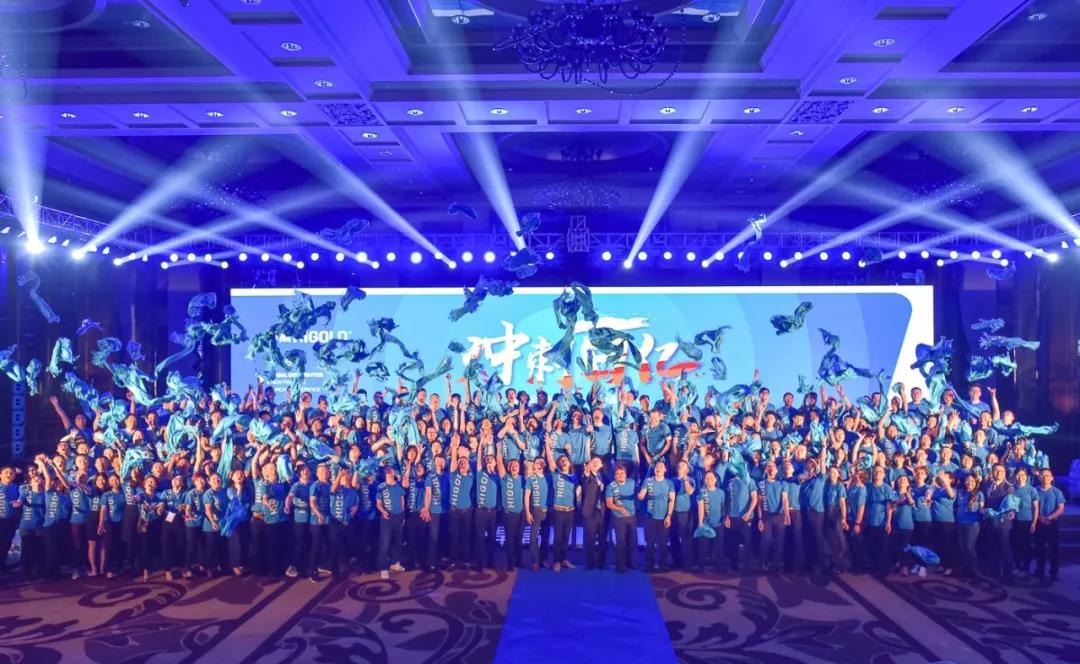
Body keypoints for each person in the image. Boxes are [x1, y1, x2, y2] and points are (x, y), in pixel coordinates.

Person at [545, 441, 577, 572]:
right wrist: (547, 445)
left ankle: (563, 559)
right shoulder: (556, 474)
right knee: (558, 537)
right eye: (561, 461)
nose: (563, 462)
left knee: (566, 537)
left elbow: (576, 485)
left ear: (569, 463)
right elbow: (550, 460)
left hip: (570, 511)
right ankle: (557, 561)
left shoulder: (573, 476)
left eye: (565, 460)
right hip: (558, 511)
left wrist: (569, 453)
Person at [639, 460, 675, 573]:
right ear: (654, 470)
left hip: (663, 517)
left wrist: (669, 515)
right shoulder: (648, 481)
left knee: (662, 543)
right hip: (650, 516)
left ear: (665, 470)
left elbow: (671, 500)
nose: (658, 468)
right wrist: (640, 495)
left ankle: (663, 565)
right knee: (650, 542)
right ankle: (649, 565)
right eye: (657, 467)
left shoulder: (669, 483)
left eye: (661, 466)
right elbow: (642, 495)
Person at [758, 461, 789, 574]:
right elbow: (759, 503)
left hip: (779, 515)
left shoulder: (782, 483)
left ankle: (776, 565)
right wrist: (760, 518)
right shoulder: (761, 484)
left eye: (773, 466)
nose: (771, 468)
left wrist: (786, 514)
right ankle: (763, 562)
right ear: (766, 469)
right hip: (767, 515)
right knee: (765, 540)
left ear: (776, 470)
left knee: (779, 541)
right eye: (768, 466)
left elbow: (785, 499)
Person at [376, 467, 407, 578]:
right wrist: (383, 511)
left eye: (391, 471)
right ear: (384, 474)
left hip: (398, 517)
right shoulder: (381, 487)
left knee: (397, 541)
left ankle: (395, 563)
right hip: (387, 518)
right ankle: (383, 567)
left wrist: (403, 515)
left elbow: (402, 500)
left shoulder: (398, 486)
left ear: (394, 473)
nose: (389, 473)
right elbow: (378, 503)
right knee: (385, 543)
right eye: (387, 472)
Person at [605, 463, 636, 573]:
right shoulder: (611, 487)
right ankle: (620, 566)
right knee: (621, 542)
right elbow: (609, 504)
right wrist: (621, 510)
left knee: (631, 541)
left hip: (632, 516)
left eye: (622, 473)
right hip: (619, 518)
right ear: (614, 476)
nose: (620, 475)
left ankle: (629, 562)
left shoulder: (632, 483)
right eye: (617, 474)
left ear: (626, 474)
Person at [1034, 468, 1065, 581]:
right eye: (1043, 475)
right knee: (1039, 548)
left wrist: (1049, 517)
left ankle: (1053, 572)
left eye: (1047, 475)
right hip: (1038, 523)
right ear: (1039, 477)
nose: (1045, 477)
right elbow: (1032, 507)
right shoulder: (1035, 490)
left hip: (1052, 523)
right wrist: (1039, 518)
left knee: (1053, 549)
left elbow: (1061, 508)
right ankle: (1040, 570)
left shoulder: (1057, 492)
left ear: (1052, 478)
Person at [580, 456, 607, 570]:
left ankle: (601, 562)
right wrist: (587, 471)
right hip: (590, 512)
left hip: (603, 512)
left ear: (601, 465)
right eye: (593, 461)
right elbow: (585, 477)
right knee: (590, 539)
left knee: (602, 539)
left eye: (597, 462)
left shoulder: (605, 477)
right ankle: (590, 563)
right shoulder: (587, 477)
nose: (595, 463)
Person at [524, 456, 551, 571]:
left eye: (542, 462)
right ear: (534, 465)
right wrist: (527, 512)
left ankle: (543, 560)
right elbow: (527, 496)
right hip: (535, 511)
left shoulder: (548, 477)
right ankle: (535, 561)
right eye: (537, 463)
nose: (539, 464)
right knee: (533, 537)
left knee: (546, 537)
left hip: (547, 511)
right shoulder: (531, 478)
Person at [1010, 468, 1038, 578]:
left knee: (1025, 546)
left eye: (1023, 475)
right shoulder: (1012, 489)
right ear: (1015, 476)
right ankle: (1017, 566)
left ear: (1026, 477)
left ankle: (1025, 569)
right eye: (1018, 475)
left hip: (1026, 521)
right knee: (1015, 545)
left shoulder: (1031, 490)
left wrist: (1034, 522)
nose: (1021, 477)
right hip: (1014, 521)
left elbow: (1035, 507)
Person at [696, 471, 726, 572]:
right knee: (703, 546)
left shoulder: (721, 492)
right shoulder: (702, 492)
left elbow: (723, 507)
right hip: (706, 524)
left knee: (719, 546)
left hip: (718, 523)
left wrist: (723, 519)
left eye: (711, 477)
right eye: (706, 478)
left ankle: (720, 566)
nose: (709, 479)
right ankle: (701, 566)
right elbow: (701, 507)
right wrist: (700, 522)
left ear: (715, 480)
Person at [956, 473, 984, 579]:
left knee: (969, 547)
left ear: (976, 482)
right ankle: (965, 570)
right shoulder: (960, 492)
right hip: (960, 522)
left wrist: (973, 505)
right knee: (961, 547)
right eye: (968, 480)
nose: (969, 483)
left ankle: (975, 571)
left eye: (972, 481)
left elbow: (981, 509)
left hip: (972, 524)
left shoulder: (979, 494)